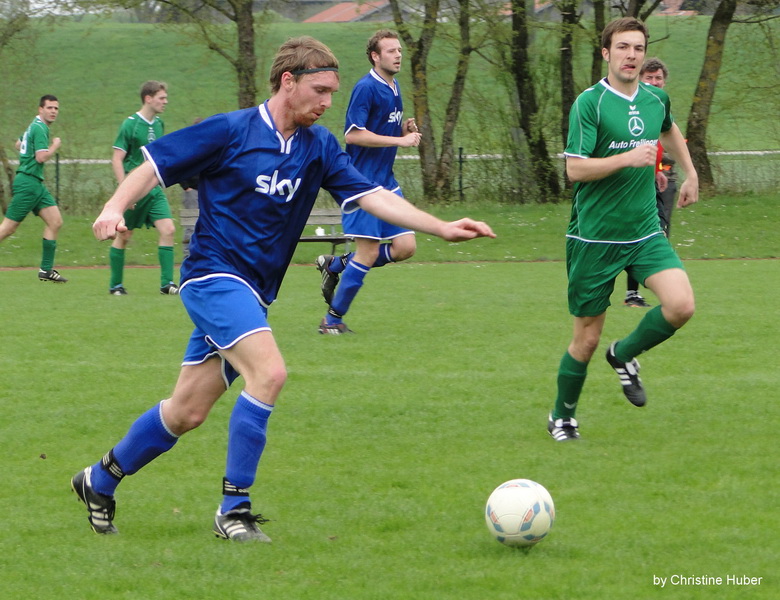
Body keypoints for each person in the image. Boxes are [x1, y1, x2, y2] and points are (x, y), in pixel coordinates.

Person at [71, 36, 495, 541]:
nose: (328, 102)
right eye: (320, 91)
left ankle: (99, 480)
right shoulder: (232, 130)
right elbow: (153, 168)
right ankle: (234, 510)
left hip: (254, 294)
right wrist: (113, 207)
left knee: (186, 411)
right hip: (212, 277)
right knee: (269, 374)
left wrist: (440, 226)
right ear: (288, 81)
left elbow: (372, 195)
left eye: (333, 92)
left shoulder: (319, 147)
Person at [547, 17, 698, 442]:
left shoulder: (655, 98)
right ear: (606, 53)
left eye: (637, 48)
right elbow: (575, 169)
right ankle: (562, 417)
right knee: (586, 340)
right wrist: (627, 159)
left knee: (681, 305)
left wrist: (690, 172)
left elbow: (669, 128)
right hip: (594, 238)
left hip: (644, 231)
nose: (631, 55)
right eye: (623, 47)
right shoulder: (590, 104)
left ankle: (624, 354)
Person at [316, 29, 422, 334]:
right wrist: (400, 141)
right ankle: (331, 322)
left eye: (399, 50)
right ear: (375, 57)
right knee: (369, 253)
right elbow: (353, 134)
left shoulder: (394, 86)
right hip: (362, 185)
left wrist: (402, 130)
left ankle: (336, 265)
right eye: (391, 51)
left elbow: (381, 129)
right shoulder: (366, 88)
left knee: (405, 247)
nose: (398, 55)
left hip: (386, 181)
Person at [108, 80, 178, 295]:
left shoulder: (159, 124)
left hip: (154, 189)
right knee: (124, 236)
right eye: (161, 98)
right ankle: (116, 286)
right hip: (134, 189)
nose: (165, 102)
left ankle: (167, 284)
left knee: (169, 229)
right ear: (148, 99)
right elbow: (117, 159)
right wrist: (125, 192)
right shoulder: (130, 124)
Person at [624, 56, 677, 308]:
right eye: (649, 78)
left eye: (659, 78)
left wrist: (656, 170)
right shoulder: (631, 107)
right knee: (635, 235)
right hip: (629, 182)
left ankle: (637, 292)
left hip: (651, 178)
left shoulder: (658, 106)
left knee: (657, 232)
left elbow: (656, 141)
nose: (655, 82)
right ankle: (632, 293)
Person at [0, 95, 67, 282]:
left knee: (55, 222)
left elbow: (18, 144)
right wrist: (54, 146)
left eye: (56, 108)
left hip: (35, 184)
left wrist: (27, 152)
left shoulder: (34, 126)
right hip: (28, 183)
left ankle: (46, 270)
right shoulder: (40, 128)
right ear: (40, 109)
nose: (53, 111)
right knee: (8, 228)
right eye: (49, 108)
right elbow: (41, 157)